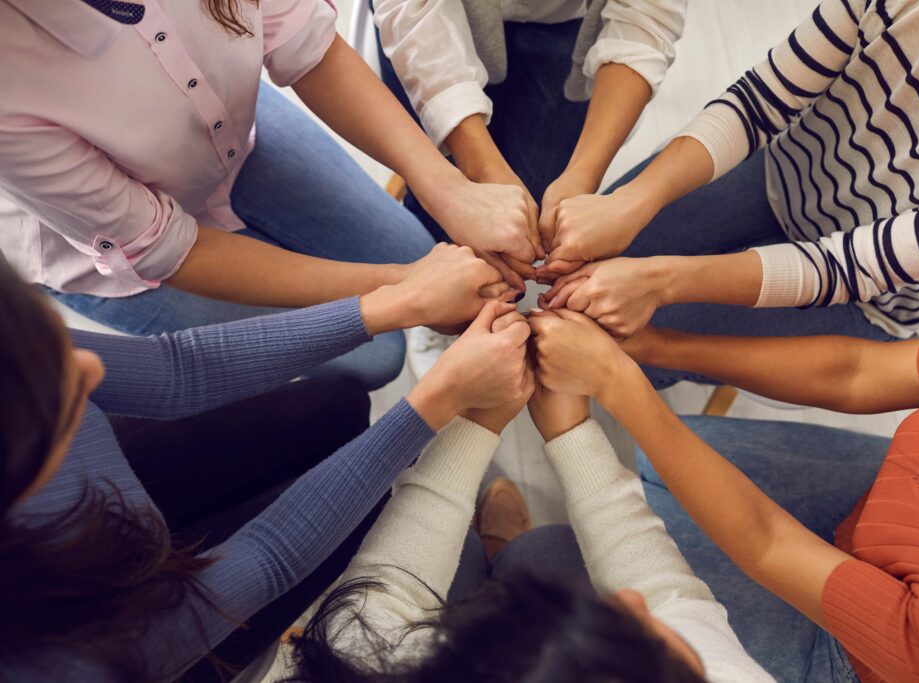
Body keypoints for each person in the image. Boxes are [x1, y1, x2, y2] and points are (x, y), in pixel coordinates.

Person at [0, 246, 533, 681]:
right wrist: (440, 404)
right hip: (143, 627)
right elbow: (270, 557)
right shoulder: (65, 666)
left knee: (335, 403)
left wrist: (394, 304)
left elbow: (174, 370)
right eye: (60, 399)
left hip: (113, 550)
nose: (91, 368)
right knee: (373, 512)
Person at [0, 0, 539, 389]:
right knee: (374, 360)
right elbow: (167, 247)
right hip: (109, 247)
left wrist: (447, 189)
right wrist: (405, 291)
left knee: (413, 250)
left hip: (227, 133)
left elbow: (305, 45)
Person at [537, 0, 919, 389]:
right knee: (598, 266)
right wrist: (630, 202)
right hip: (783, 170)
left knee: (615, 340)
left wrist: (659, 283)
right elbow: (758, 102)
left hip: (863, 297)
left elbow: (841, 268)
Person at [527, 307, 919, 681]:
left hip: (854, 657)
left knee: (557, 554)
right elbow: (857, 371)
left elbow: (766, 545)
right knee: (668, 458)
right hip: (879, 508)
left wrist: (612, 385)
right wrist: (653, 345)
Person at [281, 333, 772, 683]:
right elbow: (670, 598)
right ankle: (499, 550)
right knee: (550, 550)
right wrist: (570, 429)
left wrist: (480, 418)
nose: (629, 600)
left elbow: (385, 594)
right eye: (651, 645)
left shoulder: (354, 668)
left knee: (481, 557)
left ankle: (487, 551)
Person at [372, 0, 688, 286]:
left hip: (563, 21)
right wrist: (478, 171)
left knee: (532, 203)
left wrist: (584, 174)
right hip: (424, 20)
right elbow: (412, 13)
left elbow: (649, 13)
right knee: (441, 202)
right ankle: (439, 285)